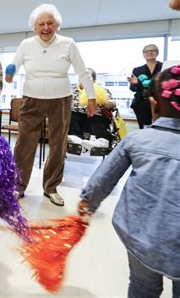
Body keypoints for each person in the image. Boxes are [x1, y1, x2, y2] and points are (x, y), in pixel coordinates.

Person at [78, 65, 180, 298]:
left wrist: (88, 202)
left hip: (140, 236)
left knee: (143, 288)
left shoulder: (137, 140)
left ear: (153, 105)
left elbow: (105, 175)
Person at [5, 3, 96, 206]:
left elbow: (82, 72)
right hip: (31, 98)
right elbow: (14, 67)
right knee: (24, 144)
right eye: (41, 24)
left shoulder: (68, 43)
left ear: (57, 25)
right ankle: (17, 186)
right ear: (34, 26)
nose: (46, 27)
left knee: (58, 144)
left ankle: (51, 188)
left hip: (61, 99)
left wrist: (91, 98)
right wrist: (9, 75)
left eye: (50, 23)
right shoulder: (26, 44)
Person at [69, 68, 117, 148]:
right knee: (72, 115)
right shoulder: (72, 91)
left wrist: (101, 101)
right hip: (77, 117)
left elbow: (113, 104)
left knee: (96, 118)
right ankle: (76, 139)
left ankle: (101, 140)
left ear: (94, 80)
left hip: (96, 117)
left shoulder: (102, 90)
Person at [127, 44, 163, 129]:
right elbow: (132, 89)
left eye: (152, 50)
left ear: (157, 53)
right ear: (143, 54)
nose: (149, 52)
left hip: (161, 103)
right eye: (146, 51)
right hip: (142, 103)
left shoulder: (164, 67)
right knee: (144, 129)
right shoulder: (137, 70)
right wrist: (136, 83)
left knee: (160, 129)